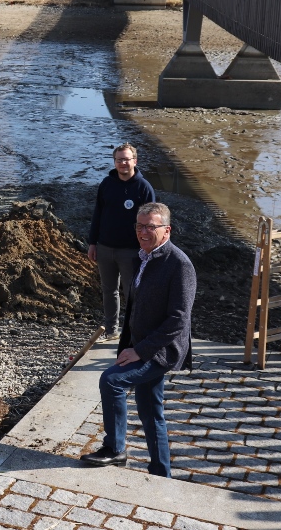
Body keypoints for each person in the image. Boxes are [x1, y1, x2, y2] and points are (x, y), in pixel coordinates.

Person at [80, 202, 195, 478]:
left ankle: (115, 448)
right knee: (151, 411)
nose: (143, 232)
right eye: (139, 226)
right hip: (141, 345)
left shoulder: (179, 265)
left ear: (167, 230)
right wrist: (129, 344)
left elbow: (178, 319)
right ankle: (161, 473)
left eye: (150, 227)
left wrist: (140, 351)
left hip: (161, 350)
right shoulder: (142, 257)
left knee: (111, 380)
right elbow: (135, 307)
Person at [87, 143, 155, 341]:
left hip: (131, 251)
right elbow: (98, 214)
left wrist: (149, 248)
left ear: (135, 161)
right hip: (105, 247)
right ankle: (111, 330)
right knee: (109, 291)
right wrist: (93, 243)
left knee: (133, 293)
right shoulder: (107, 184)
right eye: (119, 160)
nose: (123, 163)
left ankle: (134, 331)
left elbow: (152, 222)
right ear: (114, 162)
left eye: (126, 159)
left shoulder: (144, 187)